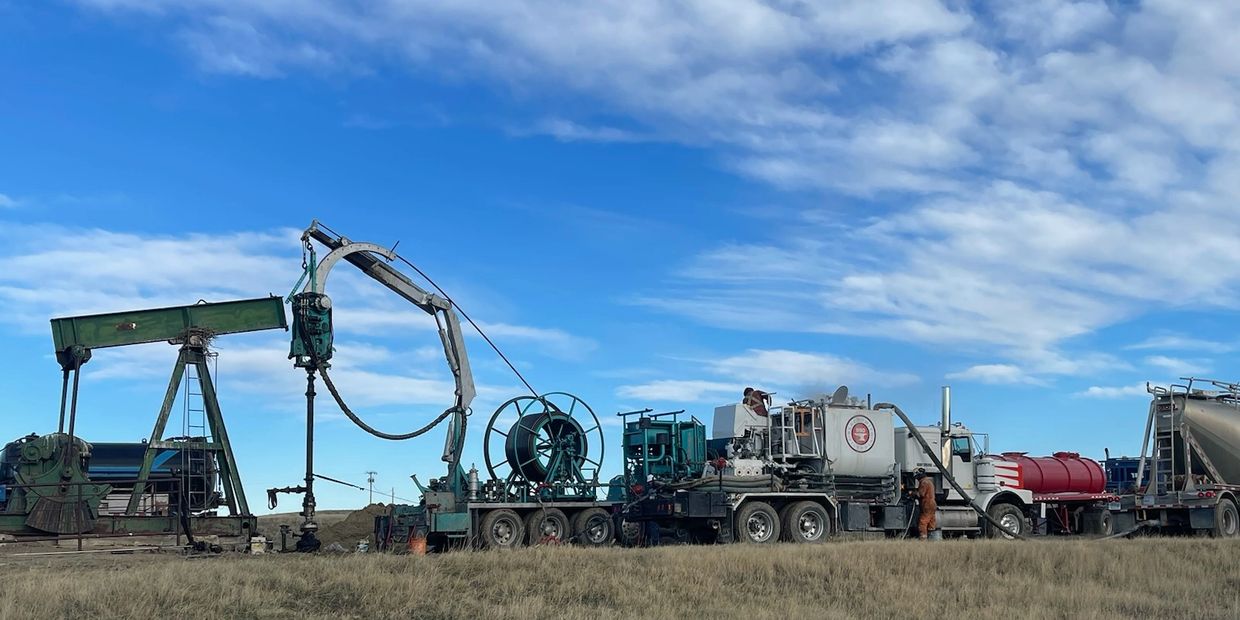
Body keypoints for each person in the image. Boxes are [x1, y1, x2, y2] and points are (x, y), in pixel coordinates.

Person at [914, 468, 937, 540]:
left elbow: (921, 494)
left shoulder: (923, 482)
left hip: (927, 504)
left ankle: (923, 539)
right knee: (931, 521)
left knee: (923, 522)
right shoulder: (929, 481)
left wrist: (912, 493)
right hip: (932, 503)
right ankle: (932, 538)